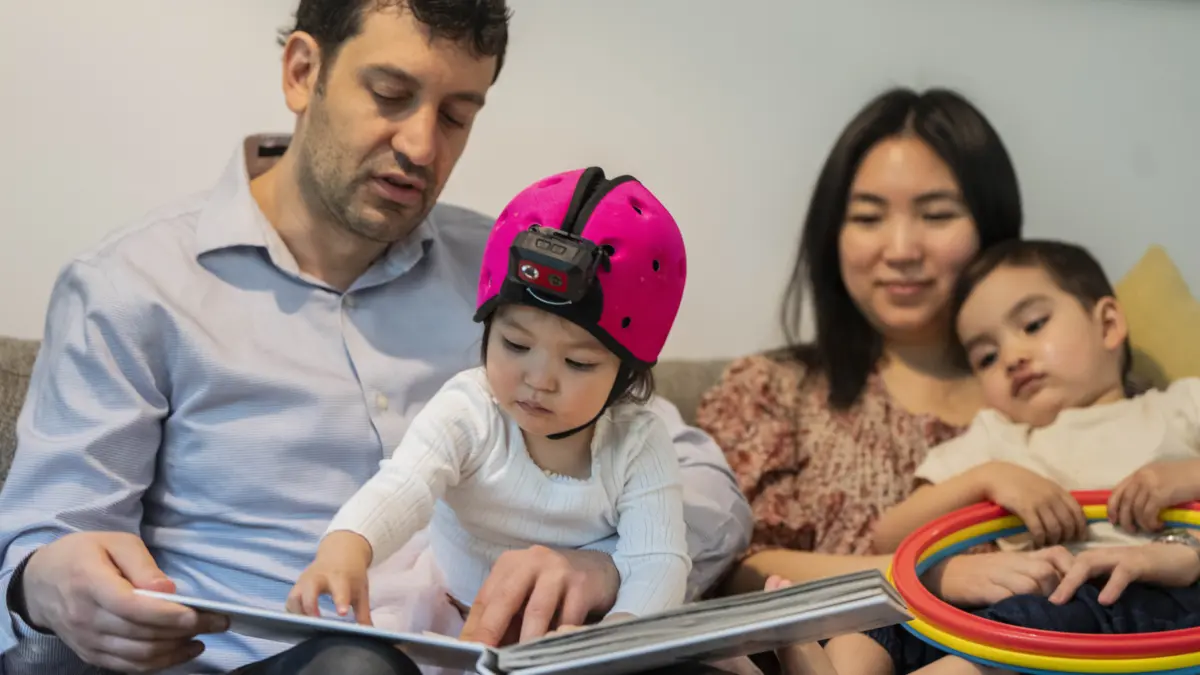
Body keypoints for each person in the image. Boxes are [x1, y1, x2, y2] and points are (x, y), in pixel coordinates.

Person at [0, 2, 752, 673]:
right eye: (391, 95)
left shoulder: (521, 278)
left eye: (456, 115)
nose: (422, 145)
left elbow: (699, 483)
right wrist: (46, 585)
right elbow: (44, 546)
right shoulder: (133, 286)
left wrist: (604, 568)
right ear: (303, 73)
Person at [694, 87, 1076, 604]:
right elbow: (731, 570)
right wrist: (922, 579)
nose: (901, 250)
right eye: (869, 218)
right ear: (832, 234)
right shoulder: (771, 391)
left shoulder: (1053, 382)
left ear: (991, 225)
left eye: (936, 215)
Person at [285, 167, 692, 637]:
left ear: (626, 374)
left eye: (578, 363)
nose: (539, 380)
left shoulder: (637, 443)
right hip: (448, 614)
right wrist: (345, 549)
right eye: (515, 345)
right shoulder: (470, 409)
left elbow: (657, 560)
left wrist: (616, 638)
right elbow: (405, 484)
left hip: (573, 631)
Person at [780, 239, 1200, 675]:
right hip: (1032, 595)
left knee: (1032, 626)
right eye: (987, 357)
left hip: (1146, 601)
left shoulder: (1179, 407)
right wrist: (987, 478)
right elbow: (891, 535)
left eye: (1033, 325)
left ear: (1108, 324)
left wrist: (1186, 478)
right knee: (882, 614)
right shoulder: (998, 437)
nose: (1012, 358)